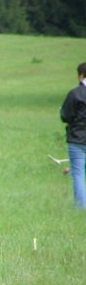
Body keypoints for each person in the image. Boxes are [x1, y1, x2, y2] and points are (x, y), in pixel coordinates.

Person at [60, 62, 86, 209]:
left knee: (77, 173)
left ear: (81, 75)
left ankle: (81, 206)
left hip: (78, 139)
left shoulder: (75, 93)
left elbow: (65, 116)